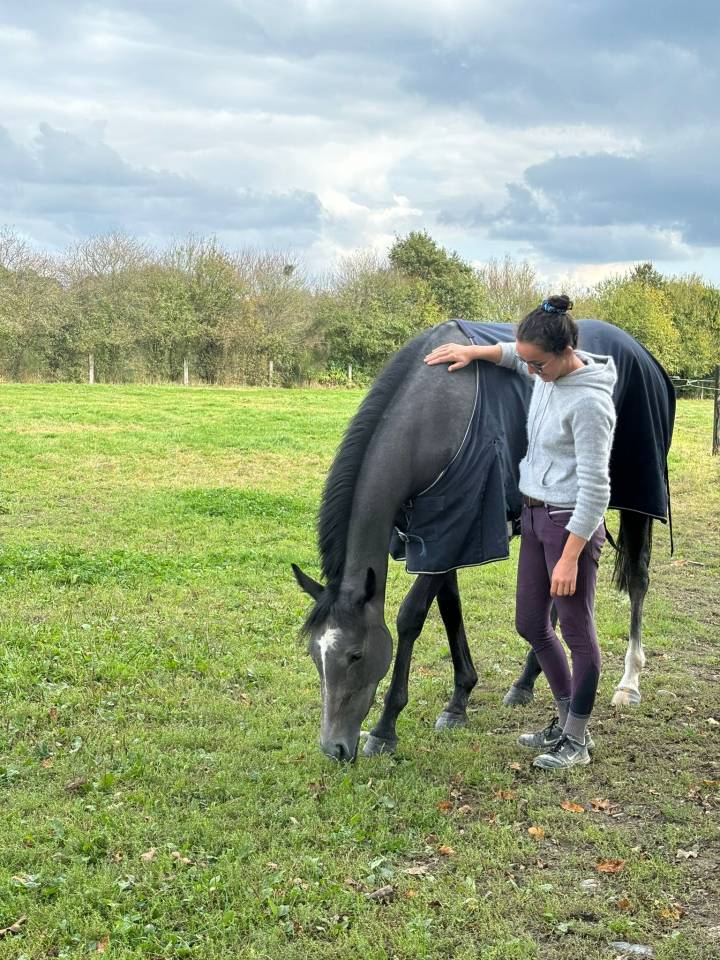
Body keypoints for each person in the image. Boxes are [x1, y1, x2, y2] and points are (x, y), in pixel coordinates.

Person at [424, 296, 617, 769]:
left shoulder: (590, 402)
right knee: (530, 623)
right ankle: (562, 718)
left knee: (575, 630)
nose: (529, 371)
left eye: (538, 363)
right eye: (527, 361)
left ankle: (577, 738)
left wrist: (571, 554)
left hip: (568, 523)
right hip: (533, 516)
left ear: (566, 350)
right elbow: (513, 353)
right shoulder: (546, 372)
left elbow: (597, 488)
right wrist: (474, 353)